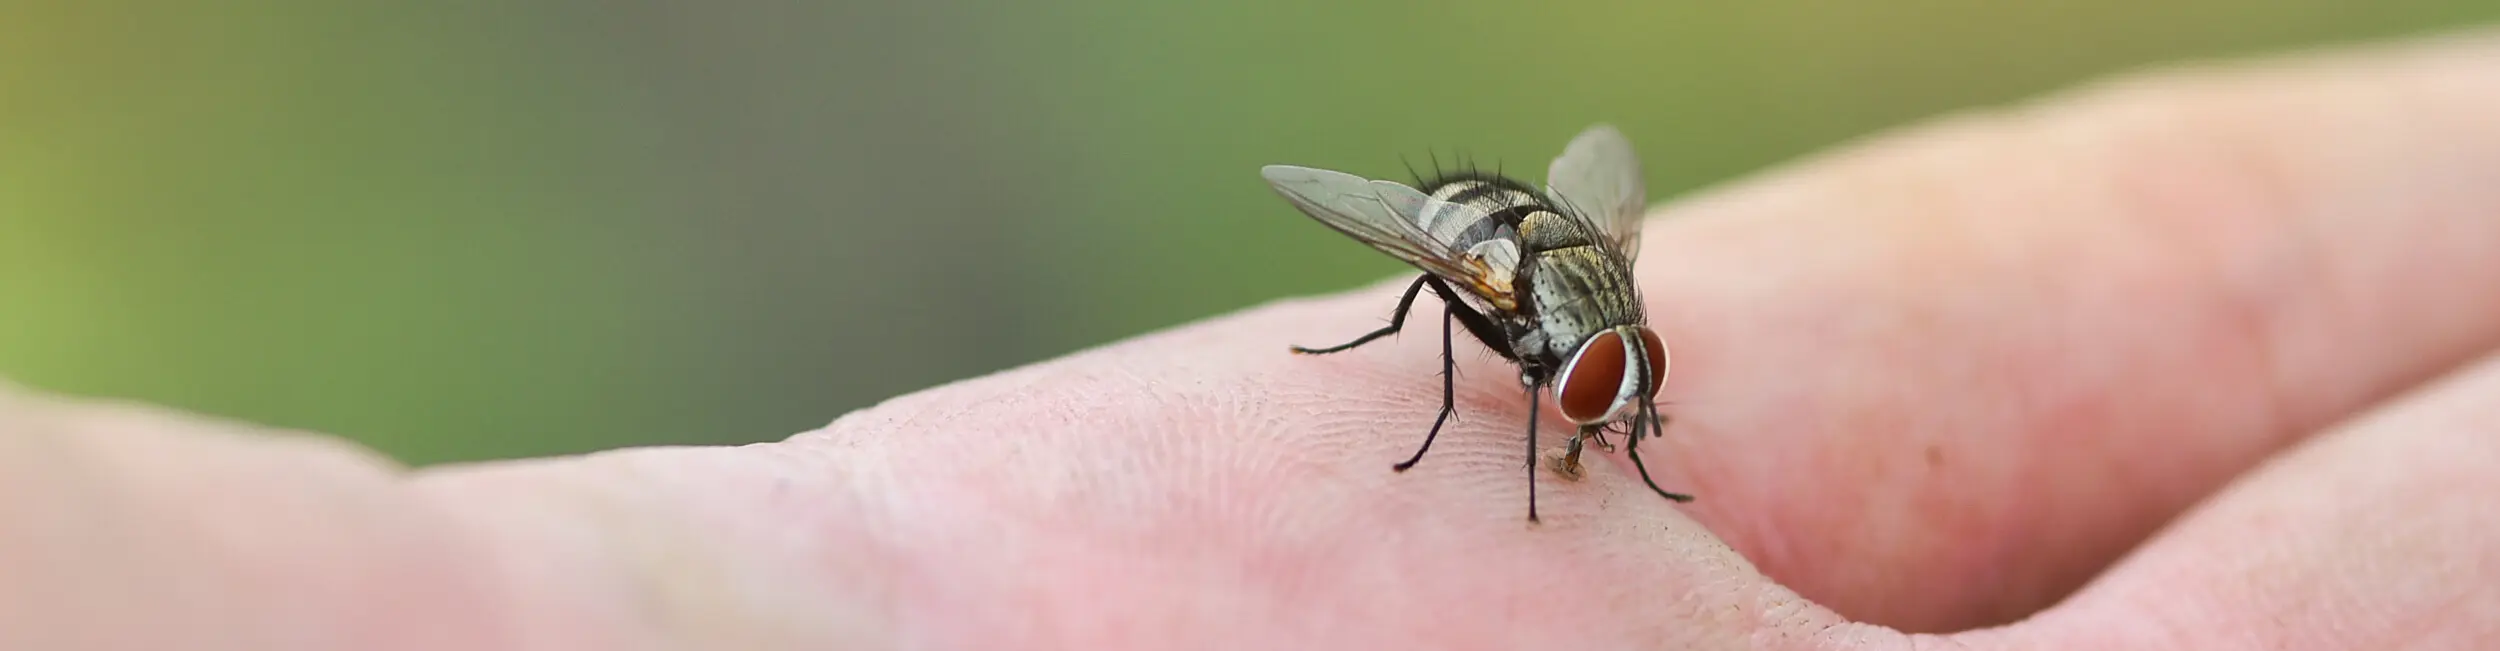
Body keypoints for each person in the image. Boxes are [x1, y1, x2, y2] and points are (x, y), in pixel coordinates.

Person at [6, 29, 2499, 651]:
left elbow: (1607, 279)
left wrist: (1609, 396)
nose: (1599, 392)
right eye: (1591, 389)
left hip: (1545, 248)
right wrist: (1466, 368)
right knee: (1431, 306)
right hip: (1473, 234)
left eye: (1601, 385)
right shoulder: (1499, 294)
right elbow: (1493, 271)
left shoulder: (1609, 317)